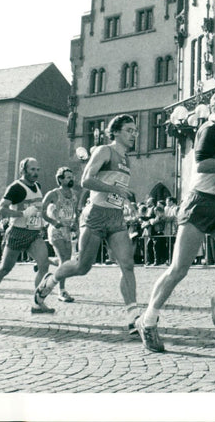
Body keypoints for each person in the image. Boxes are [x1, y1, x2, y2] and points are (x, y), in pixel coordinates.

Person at [135, 89, 215, 352]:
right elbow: (201, 165)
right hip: (200, 203)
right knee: (178, 269)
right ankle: (148, 320)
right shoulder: (210, 129)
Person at [35, 116, 141, 334]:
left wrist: (127, 202)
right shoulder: (104, 151)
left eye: (135, 131)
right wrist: (115, 191)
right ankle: (51, 281)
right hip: (95, 216)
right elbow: (85, 181)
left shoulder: (127, 159)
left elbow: (118, 187)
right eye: (130, 130)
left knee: (127, 264)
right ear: (117, 132)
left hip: (116, 217)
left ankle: (133, 316)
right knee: (82, 267)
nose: (134, 135)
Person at [0, 157, 63, 318]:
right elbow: (1, 210)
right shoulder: (16, 188)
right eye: (32, 169)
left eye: (37, 169)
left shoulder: (38, 186)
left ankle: (37, 303)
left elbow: (38, 209)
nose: (35, 173)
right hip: (17, 232)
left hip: (34, 233)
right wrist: (22, 213)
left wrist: (49, 220)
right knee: (5, 268)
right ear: (23, 170)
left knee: (43, 265)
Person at [40, 167, 78, 302]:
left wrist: (75, 224)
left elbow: (75, 212)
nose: (71, 179)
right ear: (60, 179)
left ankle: (45, 260)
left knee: (67, 260)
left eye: (71, 177)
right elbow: (42, 211)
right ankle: (61, 291)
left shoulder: (74, 194)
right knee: (64, 261)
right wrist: (53, 221)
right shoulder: (53, 194)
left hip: (67, 230)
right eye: (68, 177)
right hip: (56, 230)